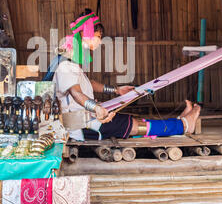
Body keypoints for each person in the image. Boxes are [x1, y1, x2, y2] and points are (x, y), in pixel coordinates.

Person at [51, 9, 202, 141]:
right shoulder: (65, 65)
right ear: (86, 34)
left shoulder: (72, 64)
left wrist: (116, 90)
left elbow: (88, 84)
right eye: (98, 36)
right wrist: (96, 108)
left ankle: (179, 122)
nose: (99, 41)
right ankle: (185, 125)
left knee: (130, 122)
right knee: (132, 125)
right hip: (82, 128)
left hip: (89, 119)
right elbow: (76, 93)